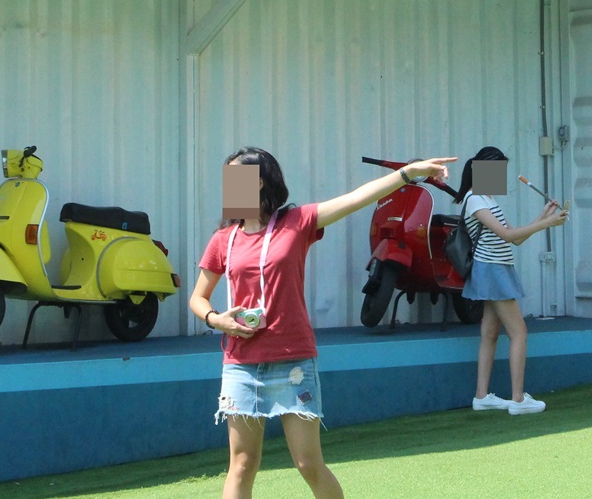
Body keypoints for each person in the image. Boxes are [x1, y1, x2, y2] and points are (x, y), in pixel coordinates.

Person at [191, 147, 454, 499]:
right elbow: (198, 297)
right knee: (241, 464)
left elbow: (356, 198)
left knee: (308, 464)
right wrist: (215, 320)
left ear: (261, 182)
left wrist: (408, 173)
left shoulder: (296, 221)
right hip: (240, 364)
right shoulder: (223, 239)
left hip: (293, 361)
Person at [458, 146, 569, 414]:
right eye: (497, 170)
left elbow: (515, 237)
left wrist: (543, 216)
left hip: (497, 269)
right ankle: (518, 400)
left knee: (490, 333)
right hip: (492, 269)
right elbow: (507, 236)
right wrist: (548, 224)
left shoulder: (488, 199)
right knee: (519, 331)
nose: (502, 176)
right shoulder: (474, 200)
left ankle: (482, 396)